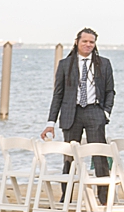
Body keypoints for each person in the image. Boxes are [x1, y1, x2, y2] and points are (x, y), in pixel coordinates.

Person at [43, 28, 117, 195]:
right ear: (77, 42)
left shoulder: (104, 63)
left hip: (94, 112)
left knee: (99, 155)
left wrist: (105, 113)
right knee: (69, 157)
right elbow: (58, 95)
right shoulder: (65, 64)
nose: (88, 45)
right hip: (71, 114)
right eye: (85, 41)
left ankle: (104, 197)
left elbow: (110, 91)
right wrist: (50, 123)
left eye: (91, 42)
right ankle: (66, 195)